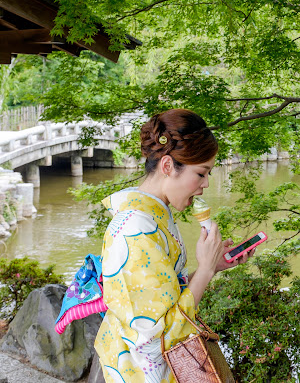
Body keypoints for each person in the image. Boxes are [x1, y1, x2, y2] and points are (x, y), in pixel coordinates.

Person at [94, 109, 250, 383]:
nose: (205, 185)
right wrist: (203, 271)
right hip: (140, 372)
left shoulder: (155, 217)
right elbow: (156, 338)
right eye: (201, 174)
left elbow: (163, 298)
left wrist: (213, 266)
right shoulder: (136, 229)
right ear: (167, 166)